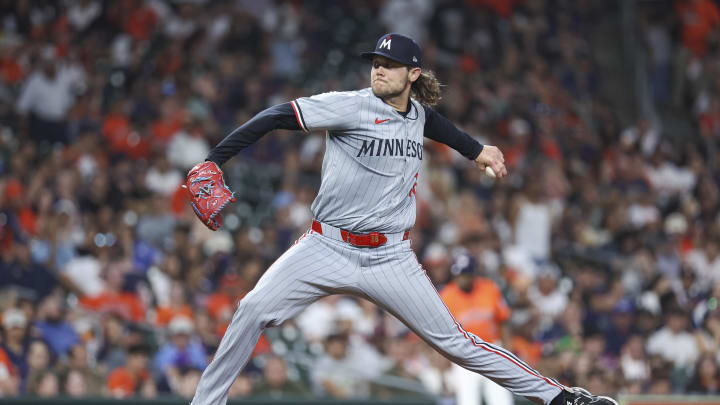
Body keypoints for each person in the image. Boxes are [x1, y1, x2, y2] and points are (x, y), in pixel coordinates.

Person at [189, 33, 618, 405]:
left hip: (390, 257)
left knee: (457, 344)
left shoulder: (416, 114)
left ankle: (559, 397)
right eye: (376, 63)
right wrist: (214, 160)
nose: (379, 70)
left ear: (413, 74)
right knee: (251, 309)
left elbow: (432, 123)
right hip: (325, 245)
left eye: (390, 65)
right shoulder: (350, 106)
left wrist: (476, 150)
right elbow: (277, 115)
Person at [440, 253, 514, 405]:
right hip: (464, 355)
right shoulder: (447, 295)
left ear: (473, 274)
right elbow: (441, 334)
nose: (462, 278)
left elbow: (504, 321)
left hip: (492, 349)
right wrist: (444, 367)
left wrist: (508, 353)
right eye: (458, 274)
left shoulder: (489, 288)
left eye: (466, 274)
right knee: (468, 401)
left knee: (501, 400)